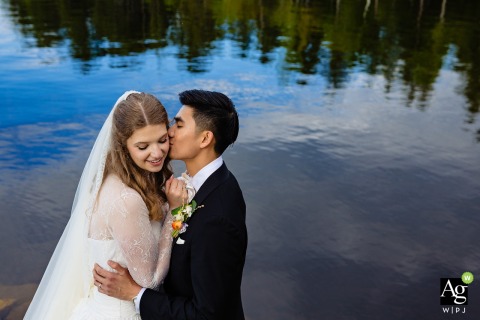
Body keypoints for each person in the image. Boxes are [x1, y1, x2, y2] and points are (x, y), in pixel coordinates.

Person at [24, 91, 188, 319]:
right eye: (143, 146)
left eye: (162, 140)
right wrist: (175, 212)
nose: (157, 152)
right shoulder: (125, 199)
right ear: (123, 144)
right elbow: (149, 280)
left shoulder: (116, 176)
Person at [93, 89, 248, 320]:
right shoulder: (200, 184)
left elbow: (208, 314)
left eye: (178, 125)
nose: (169, 132)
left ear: (205, 139)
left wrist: (137, 293)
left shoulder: (218, 217)